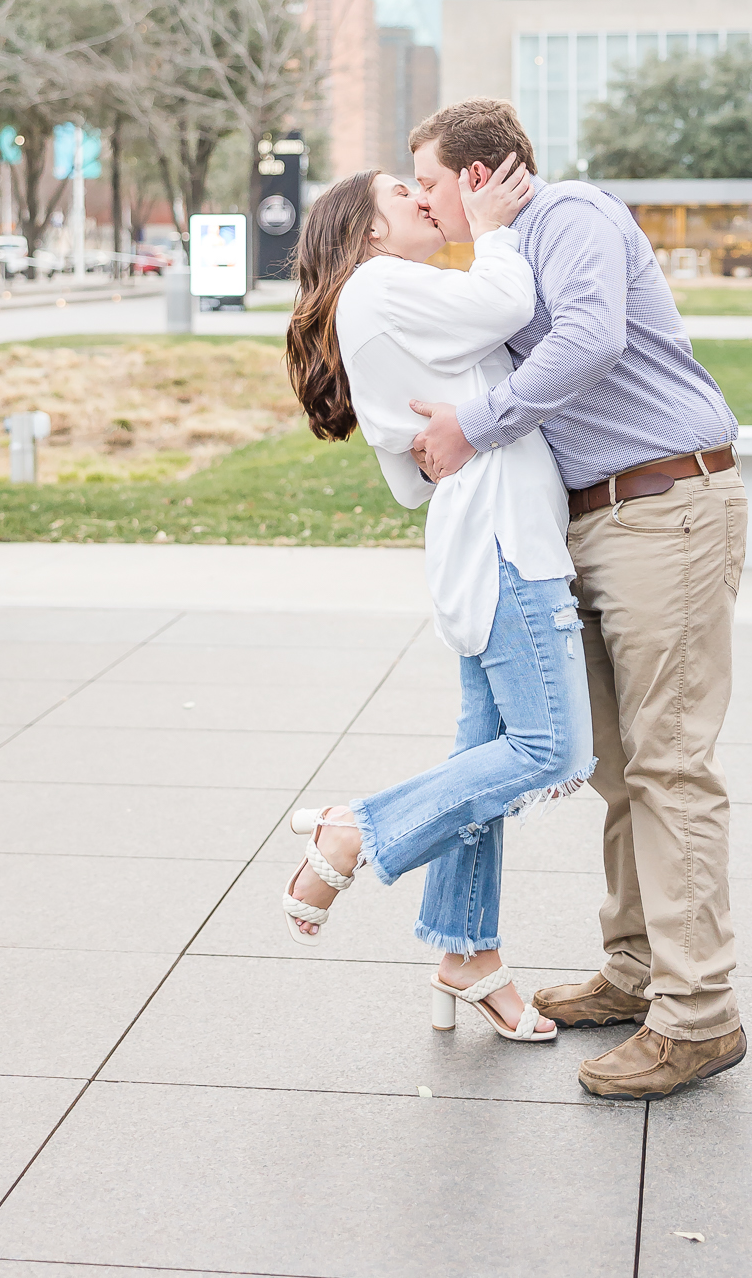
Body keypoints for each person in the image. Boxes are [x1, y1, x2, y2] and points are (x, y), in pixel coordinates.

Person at [408, 98, 748, 1101]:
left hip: (667, 503)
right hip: (591, 524)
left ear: (476, 174)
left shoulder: (575, 217)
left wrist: (477, 423)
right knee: (614, 765)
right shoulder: (505, 255)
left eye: (427, 180)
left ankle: (700, 1016)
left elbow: (594, 336)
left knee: (670, 764)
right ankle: (638, 971)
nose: (422, 202)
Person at [282, 156, 595, 1044]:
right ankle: (354, 832)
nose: (425, 199)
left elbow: (409, 480)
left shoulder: (384, 298)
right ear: (368, 231)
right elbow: (508, 304)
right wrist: (494, 229)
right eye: (403, 194)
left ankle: (467, 954)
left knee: (484, 760)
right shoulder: (381, 283)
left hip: (478, 542)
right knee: (549, 748)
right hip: (506, 546)